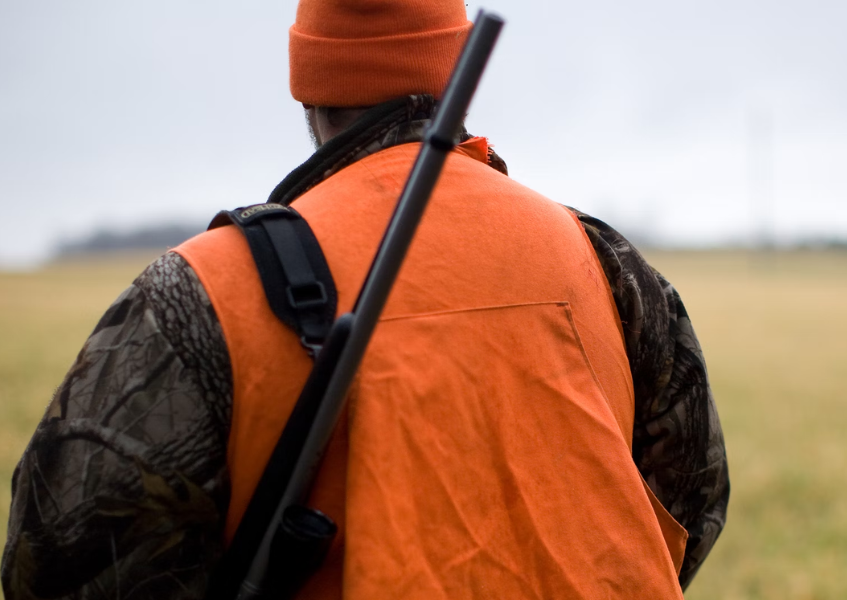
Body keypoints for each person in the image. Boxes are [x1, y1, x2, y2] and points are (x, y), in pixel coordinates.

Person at [1, 0, 729, 598]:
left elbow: (63, 563)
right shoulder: (601, 259)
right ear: (457, 79)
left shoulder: (200, 292)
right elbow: (686, 508)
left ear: (309, 90)